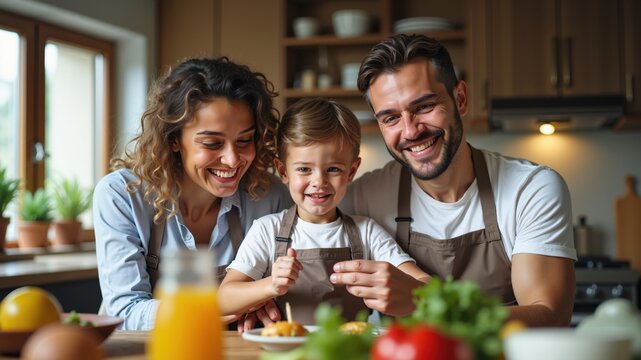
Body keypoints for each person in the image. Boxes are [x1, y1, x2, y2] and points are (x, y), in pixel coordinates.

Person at [331, 34, 577, 327]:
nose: (410, 131)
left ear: (460, 99)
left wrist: (426, 303)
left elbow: (549, 316)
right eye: (391, 118)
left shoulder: (531, 188)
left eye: (423, 106)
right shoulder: (364, 198)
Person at [93, 57, 293, 330]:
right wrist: (214, 307)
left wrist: (261, 306)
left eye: (244, 140)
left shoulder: (270, 197)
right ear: (173, 139)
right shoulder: (122, 195)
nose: (233, 160)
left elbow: (274, 294)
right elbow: (125, 312)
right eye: (212, 143)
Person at [218, 98, 429, 324]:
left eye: (333, 169)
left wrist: (406, 291)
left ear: (352, 171)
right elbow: (223, 299)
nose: (319, 181)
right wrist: (270, 285)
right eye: (304, 169)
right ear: (283, 171)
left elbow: (425, 285)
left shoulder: (367, 232)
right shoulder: (267, 230)